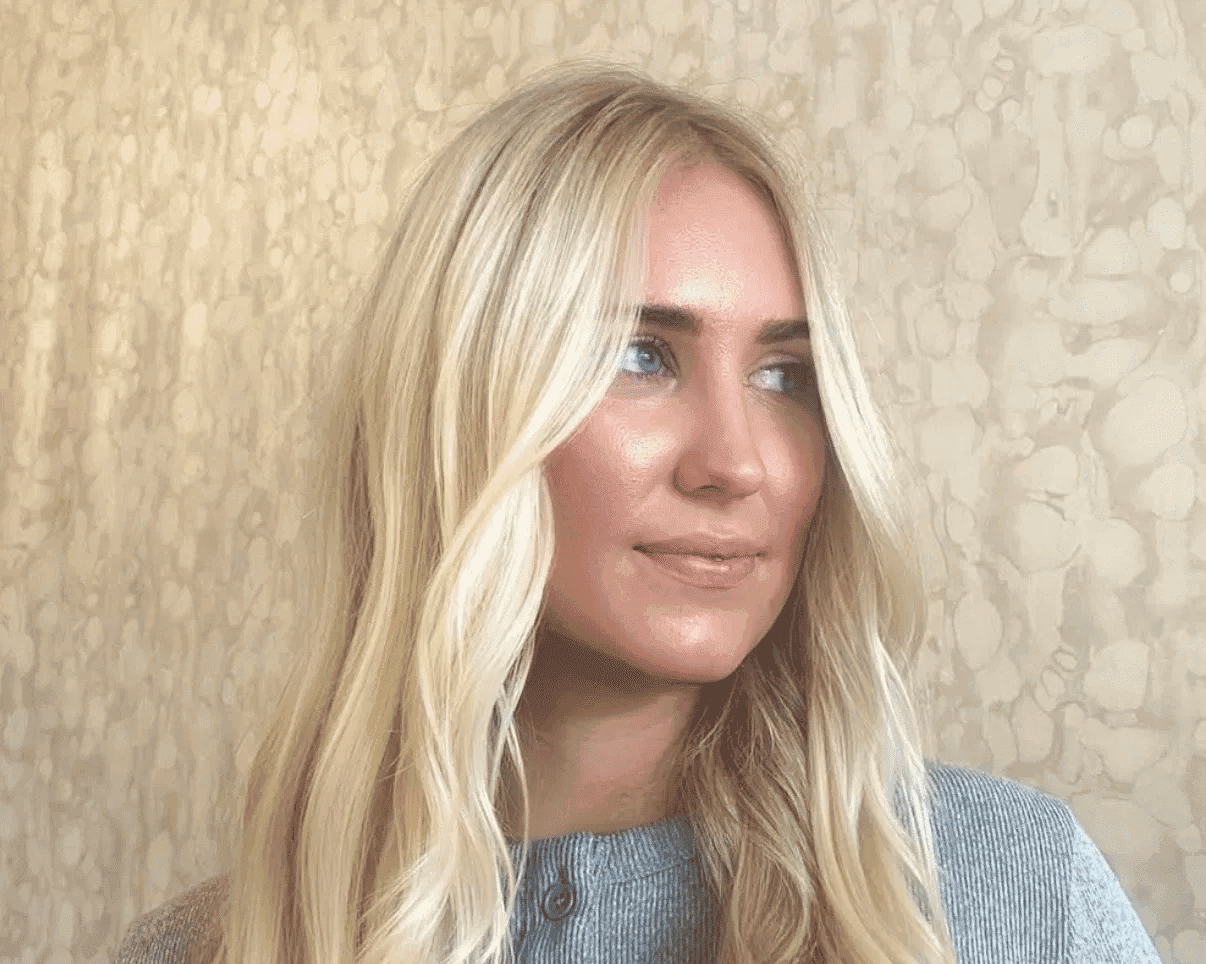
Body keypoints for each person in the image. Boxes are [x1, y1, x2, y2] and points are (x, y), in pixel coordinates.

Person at [114, 59, 1162, 964]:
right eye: (639, 355)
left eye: (785, 374)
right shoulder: (202, 948)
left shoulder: (1015, 898)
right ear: (459, 412)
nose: (734, 463)